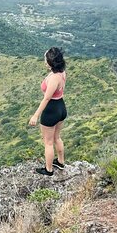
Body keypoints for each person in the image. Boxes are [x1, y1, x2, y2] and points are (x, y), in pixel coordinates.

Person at [29, 47, 67, 176]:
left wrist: (35, 115)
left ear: (51, 62)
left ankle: (49, 169)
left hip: (51, 110)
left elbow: (46, 99)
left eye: (46, 59)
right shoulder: (62, 72)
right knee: (57, 137)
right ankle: (61, 162)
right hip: (61, 107)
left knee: (48, 142)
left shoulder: (53, 78)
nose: (44, 61)